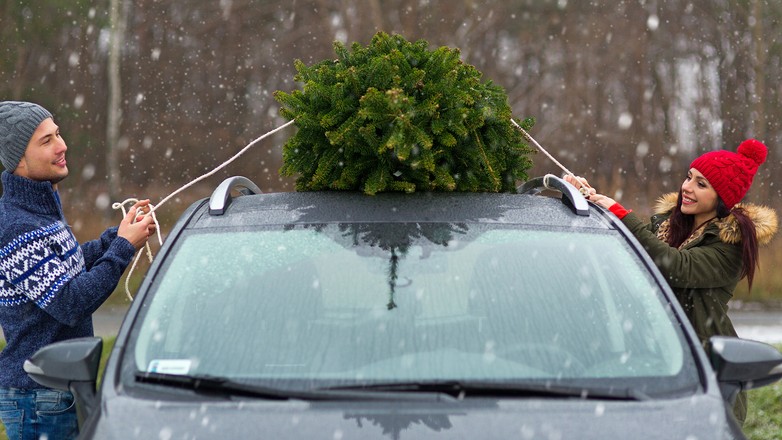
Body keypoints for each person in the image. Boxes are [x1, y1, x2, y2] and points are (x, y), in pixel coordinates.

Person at [566, 138, 778, 426]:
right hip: (651, 361)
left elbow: (674, 266)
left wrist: (621, 214)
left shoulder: (729, 248)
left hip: (703, 372)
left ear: (722, 199)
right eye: (689, 177)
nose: (686, 188)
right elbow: (631, 252)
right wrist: (592, 201)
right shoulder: (667, 228)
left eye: (701, 184)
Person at [0, 101, 156, 439]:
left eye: (57, 134)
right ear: (18, 161)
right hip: (37, 396)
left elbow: (68, 265)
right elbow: (69, 301)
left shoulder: (40, 208)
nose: (62, 145)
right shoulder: (16, 226)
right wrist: (123, 248)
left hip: (59, 387)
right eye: (46, 141)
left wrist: (116, 235)